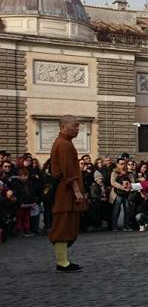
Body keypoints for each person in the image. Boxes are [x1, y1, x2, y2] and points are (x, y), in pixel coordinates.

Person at [48, 115, 87, 272]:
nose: (77, 129)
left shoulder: (64, 143)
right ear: (63, 126)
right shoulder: (64, 144)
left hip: (66, 191)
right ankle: (62, 262)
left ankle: (63, 260)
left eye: (78, 126)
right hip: (65, 193)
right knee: (63, 225)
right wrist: (77, 191)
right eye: (75, 126)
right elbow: (69, 171)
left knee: (67, 225)